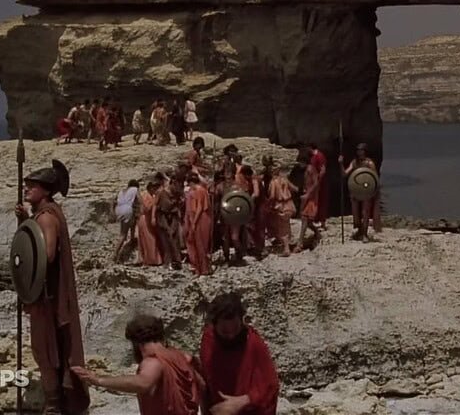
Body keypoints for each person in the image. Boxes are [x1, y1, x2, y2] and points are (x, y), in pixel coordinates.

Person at [14, 161, 90, 415]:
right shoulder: (47, 212)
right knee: (50, 348)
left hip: (46, 296)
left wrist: (26, 278)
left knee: (44, 350)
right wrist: (26, 221)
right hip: (46, 293)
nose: (26, 189)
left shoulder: (46, 217)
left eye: (32, 186)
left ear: (45, 191)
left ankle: (53, 404)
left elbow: (44, 256)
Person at [72, 314, 202, 415]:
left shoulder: (153, 362)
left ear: (135, 343)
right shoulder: (184, 357)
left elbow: (143, 383)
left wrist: (98, 380)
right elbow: (202, 385)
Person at [199, 293, 280, 415]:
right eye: (224, 331)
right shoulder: (209, 340)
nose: (231, 335)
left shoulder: (253, 343)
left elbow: (270, 386)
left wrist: (243, 401)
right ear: (214, 325)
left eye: (236, 328)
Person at [339, 143, 381, 241]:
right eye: (358, 150)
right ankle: (359, 230)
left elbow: (374, 178)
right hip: (355, 190)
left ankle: (365, 234)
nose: (359, 152)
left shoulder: (369, 163)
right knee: (355, 213)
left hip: (366, 190)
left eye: (361, 150)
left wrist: (373, 191)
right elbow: (345, 174)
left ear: (365, 151)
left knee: (365, 212)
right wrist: (340, 163)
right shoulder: (354, 162)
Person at [183, 173, 214, 275]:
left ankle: (203, 268)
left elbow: (200, 207)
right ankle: (201, 267)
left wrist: (194, 222)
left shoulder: (200, 191)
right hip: (200, 218)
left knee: (201, 244)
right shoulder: (198, 191)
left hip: (201, 218)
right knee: (198, 243)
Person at [267, 164, 296, 257]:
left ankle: (286, 248)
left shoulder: (273, 182)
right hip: (289, 204)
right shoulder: (285, 179)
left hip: (280, 205)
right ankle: (286, 245)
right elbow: (294, 188)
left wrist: (269, 204)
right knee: (286, 226)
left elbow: (272, 196)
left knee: (281, 227)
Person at [295, 158, 322, 253]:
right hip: (307, 195)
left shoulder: (311, 169)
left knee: (304, 218)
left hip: (311, 197)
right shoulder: (306, 170)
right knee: (307, 221)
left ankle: (300, 243)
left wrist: (308, 194)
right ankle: (317, 233)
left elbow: (316, 183)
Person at [114, 180, 140, 263]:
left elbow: (114, 201)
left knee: (129, 224)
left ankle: (132, 239)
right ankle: (115, 254)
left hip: (119, 209)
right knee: (123, 235)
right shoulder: (135, 189)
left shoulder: (122, 191)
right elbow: (139, 199)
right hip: (127, 209)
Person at [308, 143, 329, 230]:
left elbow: (323, 169)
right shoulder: (313, 156)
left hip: (320, 183)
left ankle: (322, 221)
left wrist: (318, 180)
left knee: (321, 201)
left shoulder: (319, 156)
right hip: (314, 182)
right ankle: (316, 219)